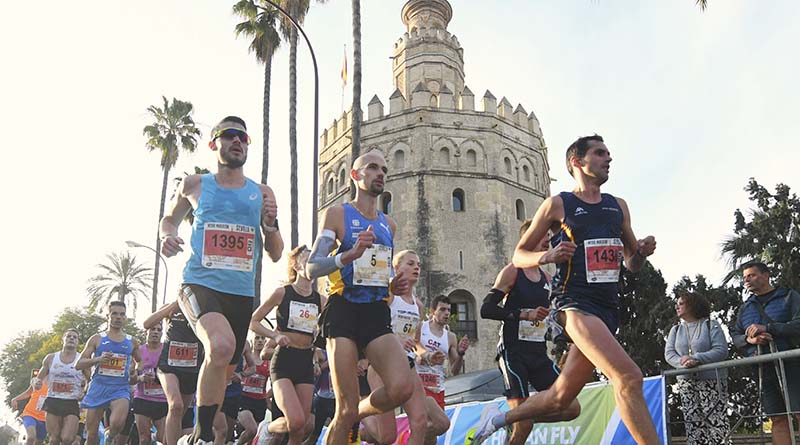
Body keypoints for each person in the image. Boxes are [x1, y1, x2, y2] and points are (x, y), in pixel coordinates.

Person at [472, 135, 659, 445]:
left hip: (607, 309)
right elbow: (519, 254)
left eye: (609, 154)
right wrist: (547, 255)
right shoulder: (559, 204)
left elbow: (631, 263)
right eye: (600, 154)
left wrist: (640, 252)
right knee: (628, 377)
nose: (608, 159)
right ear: (577, 162)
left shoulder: (617, 206)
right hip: (574, 304)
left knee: (561, 400)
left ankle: (497, 419)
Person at [159, 115, 284, 445]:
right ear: (214, 144)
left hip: (240, 296)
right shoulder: (196, 184)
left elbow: (275, 252)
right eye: (229, 136)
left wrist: (269, 225)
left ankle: (202, 432)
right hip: (198, 284)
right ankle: (199, 437)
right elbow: (169, 220)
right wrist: (167, 236)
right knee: (222, 346)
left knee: (223, 370)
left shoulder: (262, 193)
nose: (238, 141)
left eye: (243, 137)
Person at [306, 150, 413, 445]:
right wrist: (348, 255)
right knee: (344, 408)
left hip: (376, 311)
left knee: (401, 388)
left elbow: (377, 272)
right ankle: (349, 414)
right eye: (372, 168)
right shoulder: (338, 214)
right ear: (355, 175)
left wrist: (394, 286)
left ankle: (356, 413)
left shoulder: (388, 225)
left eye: (384, 169)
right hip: (343, 310)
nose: (380, 173)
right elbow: (311, 266)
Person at [480, 224, 580, 445]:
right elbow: (486, 309)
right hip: (513, 353)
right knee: (524, 425)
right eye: (541, 236)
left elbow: (554, 315)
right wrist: (523, 314)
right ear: (527, 239)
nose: (546, 240)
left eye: (547, 236)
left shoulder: (547, 278)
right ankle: (517, 418)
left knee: (571, 407)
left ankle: (511, 418)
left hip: (538, 354)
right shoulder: (512, 271)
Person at [359, 250, 451, 445]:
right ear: (396, 268)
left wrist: (426, 356)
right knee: (387, 437)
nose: (416, 267)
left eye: (418, 264)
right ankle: (359, 413)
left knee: (419, 422)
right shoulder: (389, 296)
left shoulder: (417, 305)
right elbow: (370, 327)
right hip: (382, 365)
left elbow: (414, 342)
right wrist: (394, 341)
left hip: (407, 365)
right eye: (410, 264)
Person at [250, 245, 323, 445]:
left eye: (316, 259)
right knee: (296, 420)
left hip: (305, 362)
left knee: (304, 426)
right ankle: (267, 427)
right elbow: (253, 321)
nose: (312, 263)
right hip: (284, 360)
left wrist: (317, 351)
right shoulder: (283, 293)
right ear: (297, 266)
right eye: (307, 259)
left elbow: (326, 333)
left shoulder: (321, 300)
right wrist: (275, 335)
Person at [732, 262, 800, 445]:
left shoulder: (788, 296)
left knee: (799, 412)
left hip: (792, 362)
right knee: (777, 418)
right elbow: (735, 335)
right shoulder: (746, 308)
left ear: (766, 275)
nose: (746, 280)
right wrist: (749, 341)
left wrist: (770, 328)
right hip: (762, 366)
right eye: (745, 277)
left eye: (751, 275)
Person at [664, 291, 729, 445]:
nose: (677, 307)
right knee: (693, 425)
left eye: (681, 303)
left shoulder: (711, 325)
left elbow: (721, 350)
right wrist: (683, 362)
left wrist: (696, 358)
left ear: (693, 304)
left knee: (716, 423)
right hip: (686, 383)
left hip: (712, 380)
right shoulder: (676, 330)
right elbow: (669, 353)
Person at [76, 301, 142, 445]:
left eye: (122, 314)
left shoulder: (132, 341)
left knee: (117, 423)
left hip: (120, 388)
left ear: (125, 318)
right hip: (98, 386)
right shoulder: (97, 339)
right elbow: (79, 364)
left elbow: (140, 362)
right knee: (92, 435)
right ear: (108, 316)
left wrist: (135, 371)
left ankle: (109, 437)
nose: (119, 317)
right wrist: (98, 359)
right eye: (115, 314)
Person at [145, 302, 204, 445]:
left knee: (179, 413)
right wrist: (177, 303)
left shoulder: (205, 306)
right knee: (175, 405)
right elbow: (147, 323)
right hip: (169, 365)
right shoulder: (173, 307)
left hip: (192, 368)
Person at [34, 329, 90, 445]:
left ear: (78, 342)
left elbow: (91, 380)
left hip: (71, 402)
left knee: (67, 439)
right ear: (63, 340)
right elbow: (38, 378)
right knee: (54, 438)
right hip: (53, 401)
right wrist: (37, 383)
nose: (71, 339)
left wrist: (84, 392)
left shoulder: (82, 360)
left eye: (75, 337)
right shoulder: (50, 358)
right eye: (68, 336)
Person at [416, 295, 470, 413]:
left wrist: (461, 353)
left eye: (449, 310)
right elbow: (415, 346)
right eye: (442, 309)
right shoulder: (421, 327)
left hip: (437, 388)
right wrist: (427, 355)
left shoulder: (450, 337)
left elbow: (455, 370)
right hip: (418, 384)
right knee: (423, 423)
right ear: (432, 311)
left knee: (439, 427)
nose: (446, 313)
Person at [132, 325, 168, 445]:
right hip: (143, 398)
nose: (155, 332)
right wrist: (140, 378)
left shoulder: (166, 350)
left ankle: (154, 437)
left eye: (159, 330)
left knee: (163, 438)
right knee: (143, 438)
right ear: (146, 332)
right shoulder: (139, 351)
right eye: (153, 329)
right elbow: (129, 379)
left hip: (162, 399)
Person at [237, 336, 272, 445]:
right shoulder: (246, 359)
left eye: (262, 338)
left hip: (259, 402)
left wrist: (268, 398)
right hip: (244, 399)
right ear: (252, 341)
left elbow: (275, 383)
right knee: (252, 429)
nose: (260, 341)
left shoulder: (268, 362)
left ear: (265, 342)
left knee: (252, 437)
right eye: (257, 338)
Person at [303, 349, 334, 445]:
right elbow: (314, 352)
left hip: (337, 400)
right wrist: (324, 364)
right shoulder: (323, 353)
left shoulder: (346, 354)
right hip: (321, 399)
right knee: (314, 434)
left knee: (339, 432)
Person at [13, 378, 48, 445]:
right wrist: (15, 399)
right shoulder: (39, 380)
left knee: (39, 442)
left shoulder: (57, 383)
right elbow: (27, 393)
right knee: (31, 437)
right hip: (30, 414)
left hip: (44, 418)